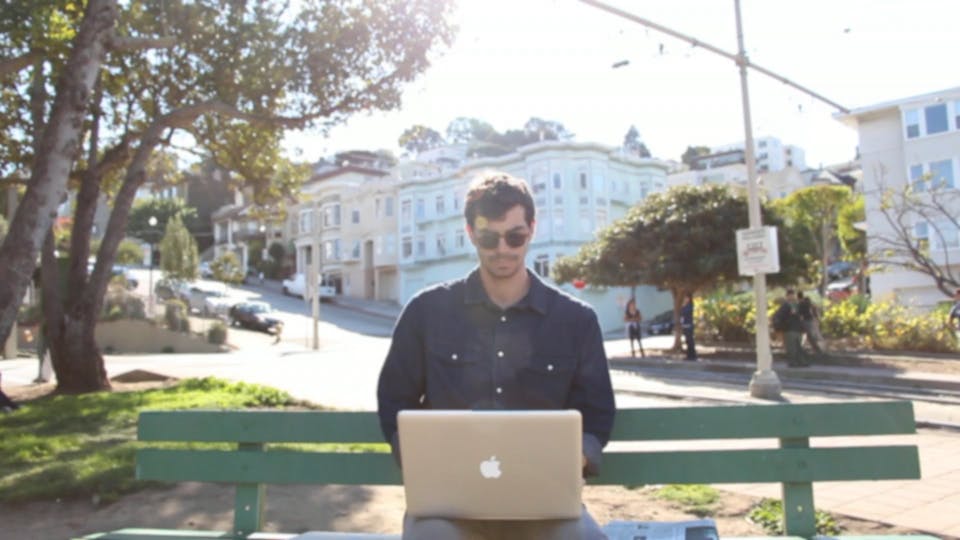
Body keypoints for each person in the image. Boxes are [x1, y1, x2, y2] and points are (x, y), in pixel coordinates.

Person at [377, 171, 615, 540]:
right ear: (470, 233)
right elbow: (394, 400)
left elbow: (597, 413)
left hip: (546, 505)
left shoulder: (576, 321)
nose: (503, 248)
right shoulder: (426, 311)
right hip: (447, 508)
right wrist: (417, 459)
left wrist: (576, 456)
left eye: (515, 236)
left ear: (532, 230)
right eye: (489, 237)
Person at [773, 289, 810, 367]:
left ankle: (795, 362)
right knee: (796, 347)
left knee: (794, 347)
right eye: (791, 295)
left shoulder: (789, 305)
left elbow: (778, 316)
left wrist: (779, 326)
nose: (792, 297)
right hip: (793, 329)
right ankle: (798, 362)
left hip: (792, 329)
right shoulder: (791, 305)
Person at [797, 291, 825, 357]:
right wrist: (817, 319)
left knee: (811, 336)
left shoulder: (801, 304)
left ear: (798, 298)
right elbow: (815, 312)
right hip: (812, 321)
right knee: (814, 335)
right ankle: (820, 350)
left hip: (806, 321)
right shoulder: (810, 303)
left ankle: (819, 350)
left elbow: (800, 315)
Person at [680, 293, 697, 361]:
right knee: (687, 341)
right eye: (684, 298)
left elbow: (686, 313)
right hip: (685, 325)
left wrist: (683, 307)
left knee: (690, 341)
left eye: (686, 298)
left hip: (689, 325)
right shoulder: (685, 305)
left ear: (689, 299)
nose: (685, 299)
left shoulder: (690, 306)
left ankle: (693, 355)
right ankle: (689, 355)